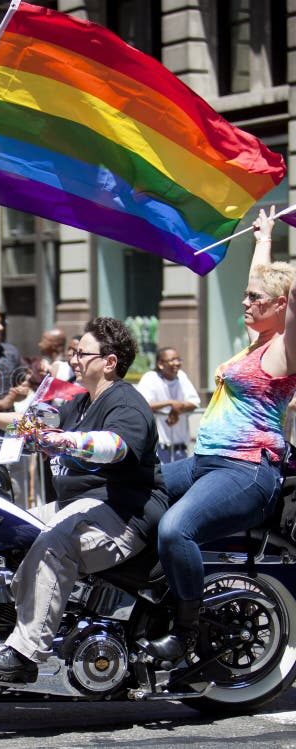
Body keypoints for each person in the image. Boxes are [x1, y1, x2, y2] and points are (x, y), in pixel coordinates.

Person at [0, 317, 168, 681]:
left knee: (55, 543)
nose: (74, 359)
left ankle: (26, 654)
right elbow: (32, 422)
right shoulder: (81, 403)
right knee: (6, 526)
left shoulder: (126, 402)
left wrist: (64, 441)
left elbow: (117, 445)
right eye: (74, 353)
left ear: (109, 361)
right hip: (81, 505)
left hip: (123, 513)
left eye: (82, 353)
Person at [145, 207, 296, 662]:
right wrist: (264, 238)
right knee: (130, 488)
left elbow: (284, 291)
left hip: (247, 470)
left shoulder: (285, 349)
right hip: (205, 462)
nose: (245, 303)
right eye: (246, 297)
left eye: (256, 299)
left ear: (282, 307)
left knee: (176, 529)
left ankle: (186, 630)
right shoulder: (254, 343)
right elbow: (263, 279)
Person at [136, 347, 201, 462]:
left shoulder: (181, 376)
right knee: (161, 477)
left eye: (178, 360)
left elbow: (195, 402)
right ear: (160, 364)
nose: (176, 363)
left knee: (180, 477)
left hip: (180, 445)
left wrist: (177, 409)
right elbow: (141, 404)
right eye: (172, 360)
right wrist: (171, 403)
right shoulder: (150, 378)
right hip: (158, 445)